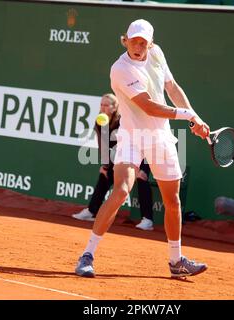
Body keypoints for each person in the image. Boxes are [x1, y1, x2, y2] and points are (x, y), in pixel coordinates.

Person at [75, 19, 210, 278]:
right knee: (121, 191)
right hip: (132, 136)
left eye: (143, 42)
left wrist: (196, 117)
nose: (137, 46)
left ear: (151, 43)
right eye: (133, 40)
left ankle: (176, 260)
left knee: (173, 200)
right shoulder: (120, 69)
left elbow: (172, 87)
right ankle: (87, 255)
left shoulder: (157, 55)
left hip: (161, 137)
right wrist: (187, 117)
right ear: (125, 39)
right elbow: (149, 107)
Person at [72, 93, 155, 231]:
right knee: (105, 174)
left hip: (140, 156)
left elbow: (141, 143)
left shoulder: (124, 121)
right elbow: (104, 146)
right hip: (121, 159)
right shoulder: (100, 122)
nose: (103, 108)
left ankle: (147, 220)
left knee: (141, 178)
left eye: (106, 105)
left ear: (115, 107)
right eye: (101, 104)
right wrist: (105, 166)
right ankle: (91, 211)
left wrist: (144, 169)